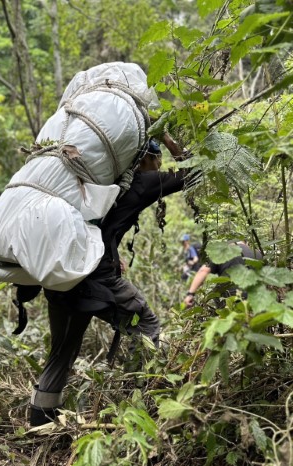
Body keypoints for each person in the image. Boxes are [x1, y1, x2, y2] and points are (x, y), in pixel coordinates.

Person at [30, 132, 193, 426]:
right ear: (146, 158)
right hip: (97, 280)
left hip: (62, 276)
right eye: (157, 161)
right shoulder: (141, 182)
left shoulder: (98, 184)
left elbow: (94, 226)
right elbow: (194, 171)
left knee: (62, 349)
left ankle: (40, 419)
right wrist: (167, 138)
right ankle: (138, 404)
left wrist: (113, 252)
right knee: (146, 324)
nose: (158, 168)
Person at [184, 241, 263, 308]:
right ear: (246, 243)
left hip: (232, 298)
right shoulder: (257, 253)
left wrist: (190, 294)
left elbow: (203, 271)